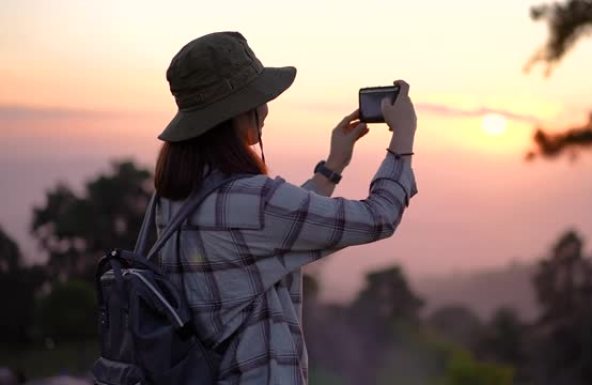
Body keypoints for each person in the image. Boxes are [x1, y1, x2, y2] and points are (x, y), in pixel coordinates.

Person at [153, 31, 417, 385]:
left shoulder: (171, 199)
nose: (265, 110)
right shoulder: (253, 201)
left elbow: (271, 226)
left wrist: (333, 165)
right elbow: (378, 217)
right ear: (239, 110)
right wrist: (403, 141)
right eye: (259, 98)